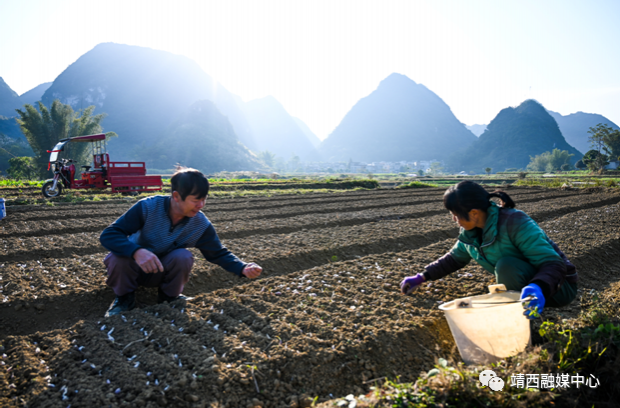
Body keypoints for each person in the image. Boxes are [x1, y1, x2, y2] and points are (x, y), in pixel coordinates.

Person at [400, 180, 578, 319]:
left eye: (455, 214)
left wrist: (538, 287)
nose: (454, 219)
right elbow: (454, 258)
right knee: (506, 267)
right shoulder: (471, 232)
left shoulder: (515, 223)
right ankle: (516, 310)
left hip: (557, 286)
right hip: (529, 284)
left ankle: (522, 326)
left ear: (474, 213)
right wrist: (422, 277)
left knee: (506, 266)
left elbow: (553, 263)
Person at [100, 167, 263, 317]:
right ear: (177, 196)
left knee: (183, 256)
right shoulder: (148, 207)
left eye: (204, 199)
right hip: (132, 269)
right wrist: (136, 252)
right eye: (195, 200)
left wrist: (242, 267)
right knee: (118, 257)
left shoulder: (199, 224)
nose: (201, 205)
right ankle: (124, 300)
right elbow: (109, 235)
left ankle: (170, 297)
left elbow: (217, 252)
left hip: (159, 271)